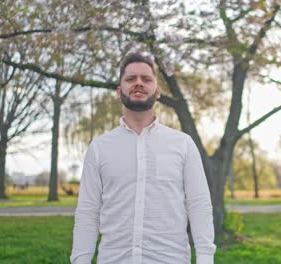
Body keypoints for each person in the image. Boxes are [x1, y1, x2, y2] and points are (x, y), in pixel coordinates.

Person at [70, 53, 216, 264]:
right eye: (130, 79)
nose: (138, 83)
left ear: (157, 92)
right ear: (119, 91)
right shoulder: (99, 148)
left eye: (146, 79)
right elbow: (88, 212)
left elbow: (199, 205)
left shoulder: (183, 144)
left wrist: (205, 259)